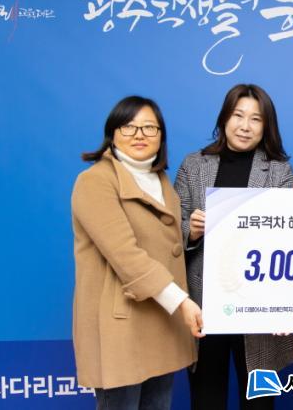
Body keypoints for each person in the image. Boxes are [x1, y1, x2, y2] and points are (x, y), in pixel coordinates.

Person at [71, 96, 203, 410]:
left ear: (161, 135)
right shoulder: (95, 181)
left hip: (161, 320)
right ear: (113, 133)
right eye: (129, 127)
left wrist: (191, 234)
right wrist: (182, 302)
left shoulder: (161, 180)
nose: (140, 135)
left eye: (149, 127)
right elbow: (126, 256)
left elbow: (162, 242)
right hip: (121, 326)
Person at [174, 84, 293, 410]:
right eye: (238, 116)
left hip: (258, 305)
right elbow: (170, 230)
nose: (245, 126)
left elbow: (290, 238)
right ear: (224, 119)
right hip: (204, 305)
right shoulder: (194, 165)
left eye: (255, 119)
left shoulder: (279, 171)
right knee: (206, 399)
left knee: (260, 402)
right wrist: (191, 231)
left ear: (266, 126)